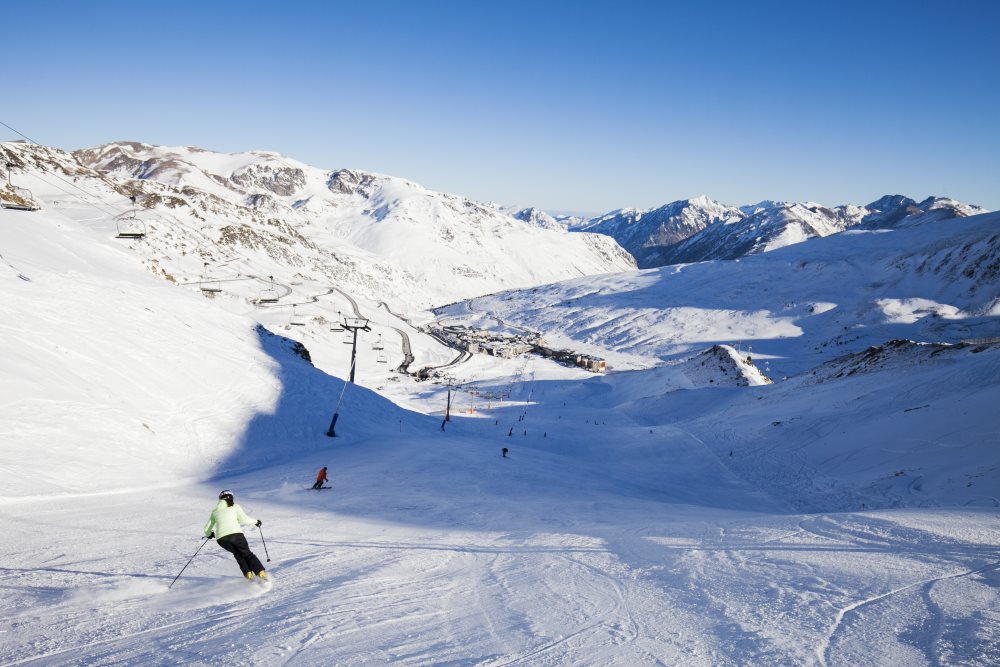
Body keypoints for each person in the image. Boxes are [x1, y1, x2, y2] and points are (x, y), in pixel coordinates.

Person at [204, 489, 266, 581]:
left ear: (220, 499)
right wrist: (256, 522)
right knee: (247, 554)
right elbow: (243, 519)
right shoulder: (235, 507)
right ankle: (261, 575)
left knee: (238, 555)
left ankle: (249, 576)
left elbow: (206, 529)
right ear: (231, 498)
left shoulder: (215, 511)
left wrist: (209, 535)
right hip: (236, 535)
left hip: (222, 539)